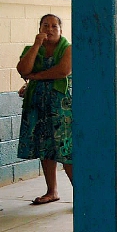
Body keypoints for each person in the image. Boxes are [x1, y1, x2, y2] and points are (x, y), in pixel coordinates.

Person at [16, 14, 73, 205]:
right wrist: (35, 46)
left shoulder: (69, 49)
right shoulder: (32, 49)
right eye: (45, 26)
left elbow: (62, 71)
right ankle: (52, 191)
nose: (49, 29)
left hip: (62, 108)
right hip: (38, 105)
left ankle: (81, 194)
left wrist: (36, 77)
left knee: (66, 150)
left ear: (61, 30)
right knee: (45, 147)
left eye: (54, 26)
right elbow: (23, 70)